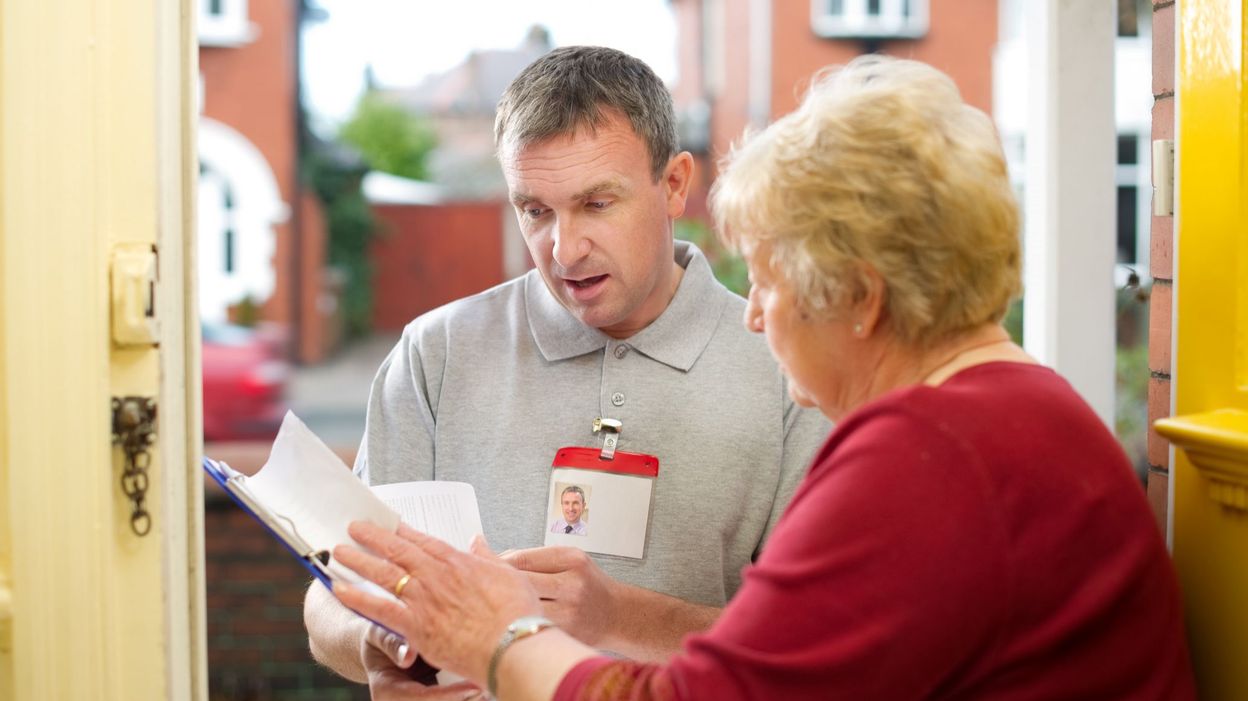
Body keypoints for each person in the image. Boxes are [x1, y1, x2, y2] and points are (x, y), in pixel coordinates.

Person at [330, 55, 1198, 700]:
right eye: (536, 210)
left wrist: (495, 635)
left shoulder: (925, 453)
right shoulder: (1017, 408)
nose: (752, 313)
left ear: (858, 297)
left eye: (773, 281)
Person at [302, 46, 830, 697]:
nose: (565, 248)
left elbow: (820, 648)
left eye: (597, 203)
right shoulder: (432, 355)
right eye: (535, 210)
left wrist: (621, 616)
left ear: (674, 184)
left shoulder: (789, 368)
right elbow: (329, 597)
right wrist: (379, 646)